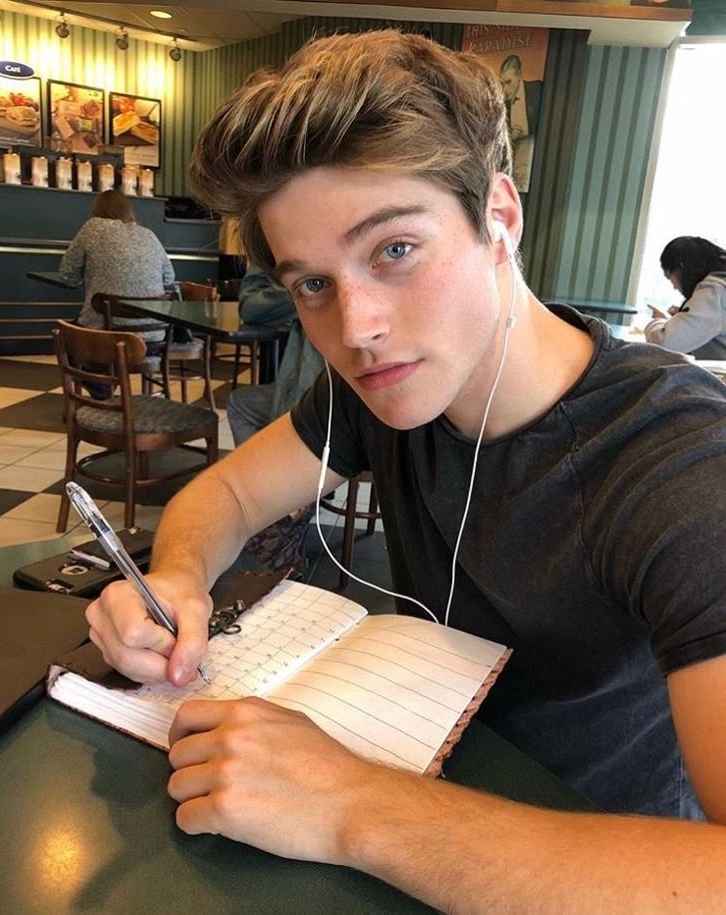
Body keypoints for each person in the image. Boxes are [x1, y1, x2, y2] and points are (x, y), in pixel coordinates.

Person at [86, 31, 726, 910]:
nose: (357, 327)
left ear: (499, 219)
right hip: (412, 814)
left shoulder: (680, 464)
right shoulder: (380, 389)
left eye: (393, 250)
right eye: (312, 283)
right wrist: (176, 579)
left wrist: (351, 804)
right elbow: (229, 491)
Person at [226, 265, 323, 571]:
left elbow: (254, 307)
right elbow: (252, 307)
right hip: (304, 398)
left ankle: (284, 499)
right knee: (243, 404)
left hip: (334, 408)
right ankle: (282, 502)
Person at [59, 188, 175, 339]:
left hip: (106, 333)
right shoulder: (148, 234)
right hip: (154, 334)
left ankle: (88, 362)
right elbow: (168, 278)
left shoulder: (92, 228)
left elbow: (67, 275)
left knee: (67, 333)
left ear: (97, 209)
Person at [645, 236, 726, 359]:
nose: (674, 287)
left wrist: (657, 323)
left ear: (680, 269)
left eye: (669, 277)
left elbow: (664, 343)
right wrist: (682, 319)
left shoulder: (714, 292)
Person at [499, 54, 542, 193]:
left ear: (520, 75)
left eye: (509, 82)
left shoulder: (537, 90)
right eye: (502, 83)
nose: (505, 89)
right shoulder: (501, 103)